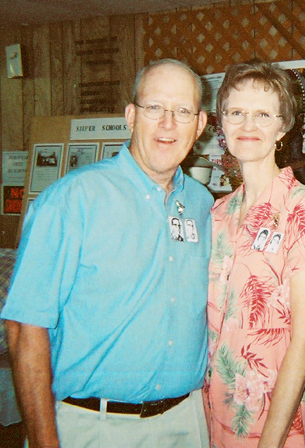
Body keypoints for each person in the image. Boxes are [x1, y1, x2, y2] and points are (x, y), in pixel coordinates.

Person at [1, 58, 213, 448]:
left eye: (183, 111)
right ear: (131, 116)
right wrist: (44, 440)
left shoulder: (203, 205)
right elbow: (24, 326)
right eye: (154, 107)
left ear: (199, 125)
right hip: (93, 427)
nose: (168, 123)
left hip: (187, 424)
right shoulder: (71, 200)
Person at [204, 60, 305, 448]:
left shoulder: (303, 209)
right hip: (213, 413)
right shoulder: (218, 213)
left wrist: (271, 441)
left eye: (263, 115)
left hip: (272, 420)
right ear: (222, 123)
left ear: (282, 127)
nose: (248, 125)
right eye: (236, 113)